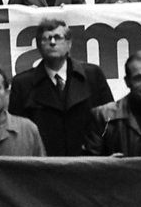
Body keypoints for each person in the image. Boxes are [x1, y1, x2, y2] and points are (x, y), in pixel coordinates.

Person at [9, 18, 113, 156]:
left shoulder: (93, 75)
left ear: (69, 43)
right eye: (47, 39)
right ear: (39, 46)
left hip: (89, 163)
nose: (52, 42)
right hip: (43, 166)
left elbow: (109, 120)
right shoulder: (22, 83)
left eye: (58, 37)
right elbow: (18, 131)